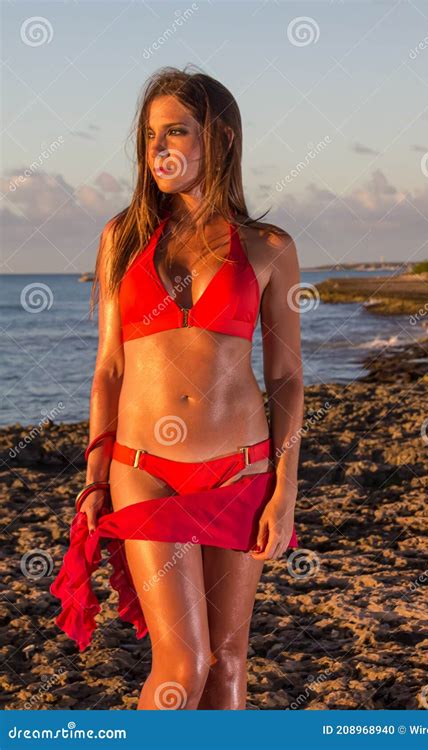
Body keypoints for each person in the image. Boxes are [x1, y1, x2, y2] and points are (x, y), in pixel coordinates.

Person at [50, 65, 304, 711]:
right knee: (183, 660)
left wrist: (286, 489)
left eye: (177, 132)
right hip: (145, 469)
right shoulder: (124, 238)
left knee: (226, 665)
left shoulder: (268, 246)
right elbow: (109, 369)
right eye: (149, 136)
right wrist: (94, 476)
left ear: (218, 138)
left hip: (240, 471)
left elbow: (286, 377)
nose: (159, 149)